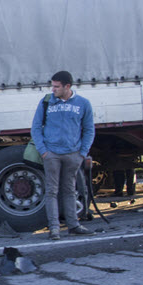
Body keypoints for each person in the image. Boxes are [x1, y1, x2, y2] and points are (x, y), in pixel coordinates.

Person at [31, 70, 95, 240]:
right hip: (52, 154)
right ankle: (54, 228)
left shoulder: (83, 103)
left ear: (68, 86)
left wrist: (82, 153)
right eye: (52, 86)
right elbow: (36, 127)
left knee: (70, 190)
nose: (53, 89)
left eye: (56, 87)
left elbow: (89, 129)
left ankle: (73, 225)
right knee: (52, 191)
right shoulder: (46, 102)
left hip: (73, 154)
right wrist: (43, 151)